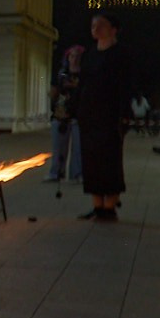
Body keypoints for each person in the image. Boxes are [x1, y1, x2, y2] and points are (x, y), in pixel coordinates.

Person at [76, 11, 133, 221]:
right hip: (89, 115)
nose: (96, 29)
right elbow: (83, 85)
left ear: (113, 29)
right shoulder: (90, 54)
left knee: (109, 159)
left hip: (110, 116)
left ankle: (110, 206)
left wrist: (124, 114)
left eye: (101, 25)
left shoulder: (120, 54)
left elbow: (125, 86)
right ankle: (97, 204)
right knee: (91, 159)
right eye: (93, 25)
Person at [47, 45, 84, 182]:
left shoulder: (85, 76)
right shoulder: (61, 74)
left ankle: (77, 174)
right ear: (67, 58)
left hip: (79, 116)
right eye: (72, 56)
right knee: (59, 148)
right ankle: (56, 173)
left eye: (77, 57)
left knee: (79, 149)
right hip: (60, 115)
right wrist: (53, 102)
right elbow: (53, 91)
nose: (74, 59)